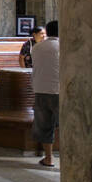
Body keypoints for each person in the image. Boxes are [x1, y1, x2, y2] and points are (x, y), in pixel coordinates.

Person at [31, 30, 61, 167]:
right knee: (67, 125)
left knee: (44, 126)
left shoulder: (37, 47)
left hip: (41, 90)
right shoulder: (64, 46)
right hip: (60, 91)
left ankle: (48, 158)